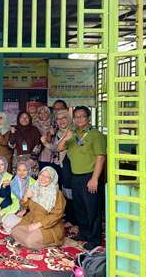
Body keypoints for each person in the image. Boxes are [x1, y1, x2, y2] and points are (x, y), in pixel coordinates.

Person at [57, 106, 106, 250]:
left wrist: (95, 179)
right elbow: (59, 148)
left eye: (82, 116)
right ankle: (84, 233)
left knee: (93, 209)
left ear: (88, 118)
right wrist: (66, 137)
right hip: (75, 176)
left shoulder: (95, 135)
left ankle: (95, 239)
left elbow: (101, 158)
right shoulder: (73, 134)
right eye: (76, 117)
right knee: (80, 208)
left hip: (90, 176)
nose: (79, 119)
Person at [10, 167, 66, 249]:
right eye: (42, 175)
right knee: (14, 231)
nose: (43, 178)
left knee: (30, 241)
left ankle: (49, 242)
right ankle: (30, 237)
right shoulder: (34, 187)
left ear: (52, 179)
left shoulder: (57, 194)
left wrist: (37, 225)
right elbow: (27, 207)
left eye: (47, 177)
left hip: (48, 225)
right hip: (31, 220)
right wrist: (26, 197)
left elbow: (56, 215)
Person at [46, 109, 75, 224]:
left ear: (69, 118)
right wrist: (46, 143)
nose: (61, 121)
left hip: (77, 166)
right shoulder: (58, 133)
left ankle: (77, 221)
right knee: (66, 191)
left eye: (64, 118)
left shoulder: (75, 131)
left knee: (76, 193)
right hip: (64, 165)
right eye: (58, 119)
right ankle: (70, 218)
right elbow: (55, 148)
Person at [9, 111, 42, 176]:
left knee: (31, 181)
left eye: (26, 117)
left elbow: (38, 145)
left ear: (29, 119)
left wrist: (32, 159)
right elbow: (11, 145)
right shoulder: (15, 129)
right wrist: (12, 134)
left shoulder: (34, 130)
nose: (24, 119)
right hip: (18, 160)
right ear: (18, 119)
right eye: (22, 117)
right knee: (19, 181)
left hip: (31, 160)